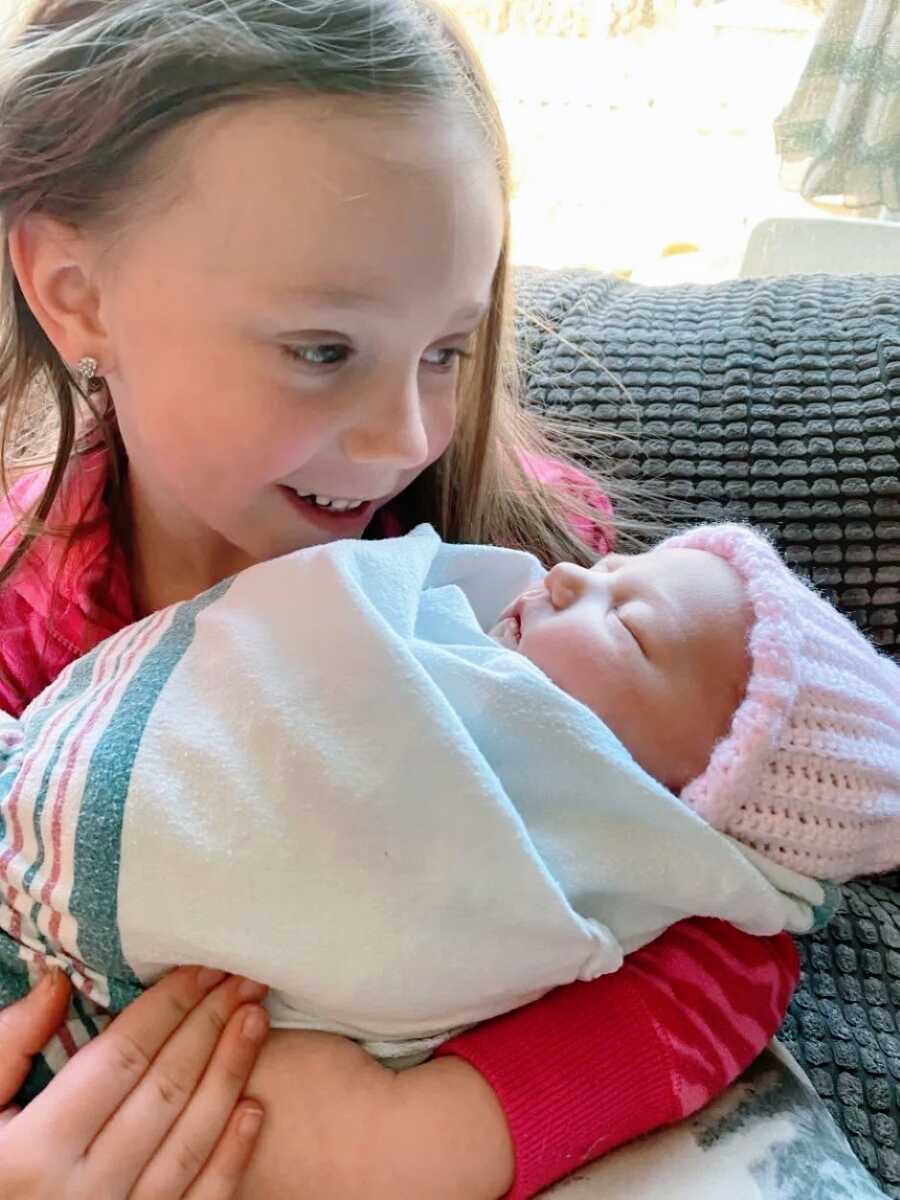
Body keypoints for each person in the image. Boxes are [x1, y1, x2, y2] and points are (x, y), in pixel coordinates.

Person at [0, 2, 802, 1197]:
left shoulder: (540, 575)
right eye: (323, 350)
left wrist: (451, 1128)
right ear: (77, 294)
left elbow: (744, 906)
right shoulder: (18, 608)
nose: (407, 436)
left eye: (447, 349)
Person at [3, 517, 897, 1086]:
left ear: (674, 809)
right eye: (608, 566)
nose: (563, 576)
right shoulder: (34, 557)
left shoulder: (639, 930)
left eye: (626, 624)